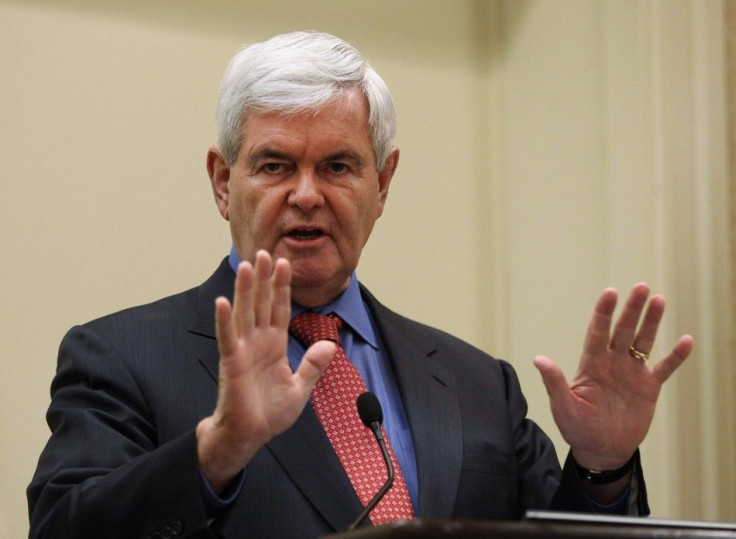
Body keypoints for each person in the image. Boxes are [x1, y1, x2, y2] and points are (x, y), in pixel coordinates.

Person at [27, 31, 693, 539]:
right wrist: (219, 449)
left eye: (339, 165)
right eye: (275, 164)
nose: (307, 194)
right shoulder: (122, 357)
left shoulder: (475, 383)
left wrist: (603, 467)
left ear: (384, 184)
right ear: (223, 182)